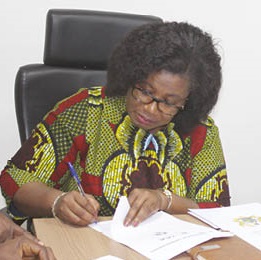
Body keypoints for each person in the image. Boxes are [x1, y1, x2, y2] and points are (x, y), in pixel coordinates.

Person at [0, 22, 230, 227]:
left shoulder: (201, 132)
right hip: (82, 246)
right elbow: (16, 180)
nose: (150, 109)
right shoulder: (85, 111)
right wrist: (57, 201)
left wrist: (164, 201)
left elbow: (217, 211)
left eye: (169, 103)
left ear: (189, 101)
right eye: (144, 92)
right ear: (131, 75)